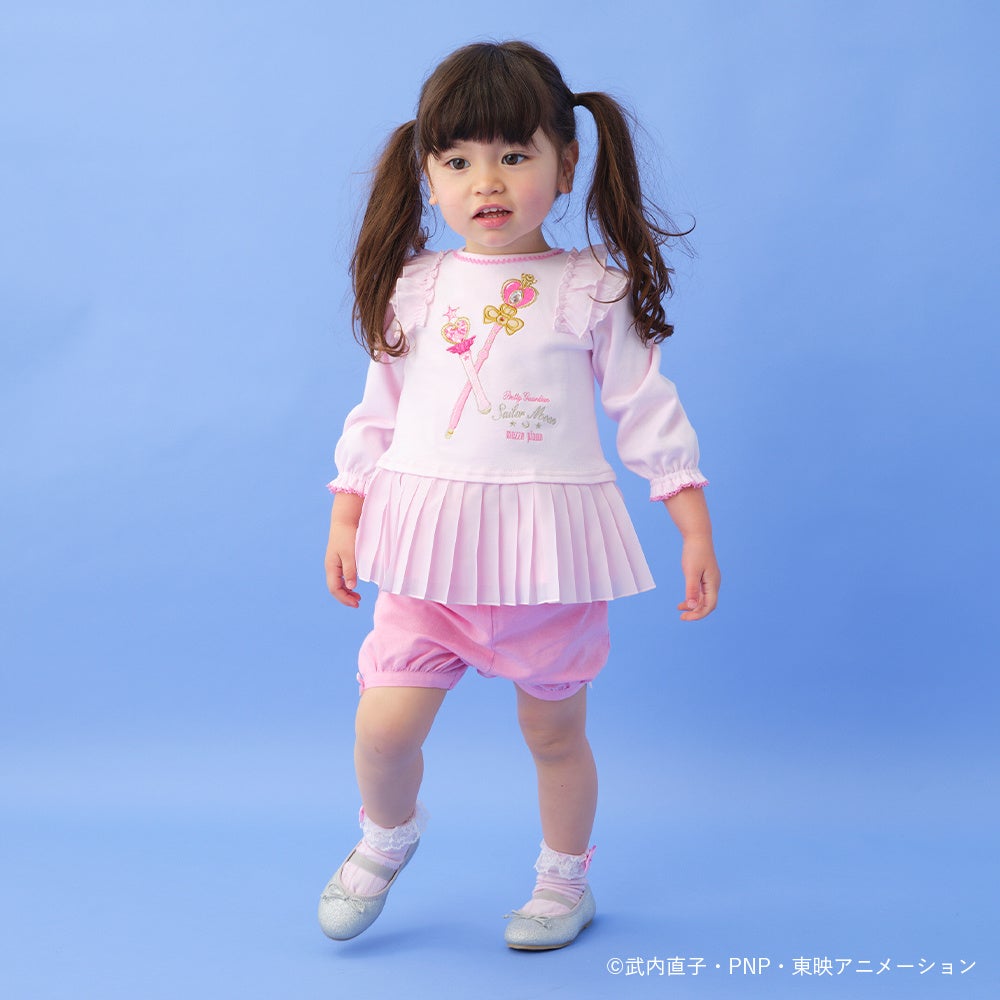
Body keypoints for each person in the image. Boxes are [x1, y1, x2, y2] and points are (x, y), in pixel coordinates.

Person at [318, 40, 720, 951]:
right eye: (458, 161)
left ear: (565, 164)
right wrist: (346, 513)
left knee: (554, 736)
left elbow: (645, 409)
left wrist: (691, 526)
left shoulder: (590, 289)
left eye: (512, 154)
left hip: (549, 559)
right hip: (428, 556)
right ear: (428, 176)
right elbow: (377, 413)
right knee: (384, 726)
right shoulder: (417, 287)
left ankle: (562, 881)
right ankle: (386, 836)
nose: (487, 182)